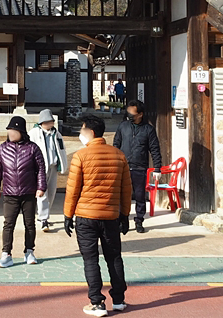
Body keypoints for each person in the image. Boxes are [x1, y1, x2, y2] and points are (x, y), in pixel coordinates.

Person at [63, 115, 131, 317]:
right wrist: (125, 214)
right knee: (114, 257)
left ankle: (97, 302)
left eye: (82, 130)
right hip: (110, 215)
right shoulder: (119, 155)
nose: (80, 133)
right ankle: (118, 299)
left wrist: (68, 215)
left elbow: (73, 189)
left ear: (91, 133)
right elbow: (126, 189)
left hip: (86, 216)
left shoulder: (80, 156)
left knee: (90, 259)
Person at [0, 116, 47, 268]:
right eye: (9, 130)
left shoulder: (33, 148)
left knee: (29, 224)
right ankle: (6, 254)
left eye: (14, 130)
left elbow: (40, 169)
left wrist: (41, 187)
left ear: (21, 132)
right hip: (10, 193)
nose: (11, 133)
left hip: (29, 193)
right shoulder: (2, 149)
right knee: (8, 224)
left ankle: (29, 251)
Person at [111, 99, 162, 234]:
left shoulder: (148, 130)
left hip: (139, 167)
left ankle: (139, 220)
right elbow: (116, 144)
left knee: (139, 196)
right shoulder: (123, 126)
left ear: (140, 114)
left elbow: (155, 149)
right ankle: (122, 220)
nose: (129, 115)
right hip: (123, 167)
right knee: (122, 196)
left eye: (132, 113)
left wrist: (157, 168)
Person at [28, 109, 66, 232]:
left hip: (53, 166)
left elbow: (61, 149)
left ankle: (44, 213)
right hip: (40, 167)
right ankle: (43, 218)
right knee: (42, 192)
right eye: (50, 121)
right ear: (43, 122)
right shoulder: (34, 133)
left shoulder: (56, 133)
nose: (52, 123)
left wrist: (62, 164)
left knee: (52, 192)